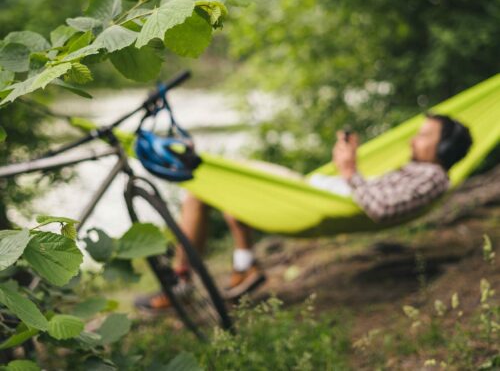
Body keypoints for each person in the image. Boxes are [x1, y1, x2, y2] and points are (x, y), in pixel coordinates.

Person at [135, 112, 472, 311]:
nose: (414, 139)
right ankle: (244, 268)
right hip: (311, 192)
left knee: (201, 186)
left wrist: (349, 171)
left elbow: (381, 209)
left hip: (315, 198)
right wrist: (349, 167)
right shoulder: (421, 172)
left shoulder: (434, 177)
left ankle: (181, 281)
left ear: (443, 147)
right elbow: (382, 196)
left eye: (425, 135)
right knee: (227, 195)